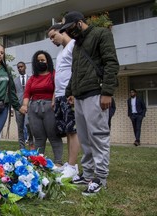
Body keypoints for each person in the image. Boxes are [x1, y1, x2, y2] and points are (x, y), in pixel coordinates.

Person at [60, 11, 119, 195]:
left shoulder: (101, 34)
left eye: (69, 28)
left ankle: (100, 178)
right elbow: (75, 71)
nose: (68, 33)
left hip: (96, 93)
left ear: (79, 23)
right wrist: (70, 92)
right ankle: (87, 174)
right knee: (85, 138)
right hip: (79, 96)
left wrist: (107, 92)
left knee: (98, 136)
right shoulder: (77, 45)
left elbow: (111, 63)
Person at [47, 24, 80, 179]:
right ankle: (69, 164)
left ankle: (73, 166)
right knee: (67, 131)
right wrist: (54, 96)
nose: (52, 40)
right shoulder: (61, 52)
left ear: (63, 31)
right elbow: (58, 76)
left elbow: (77, 70)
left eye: (53, 36)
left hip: (69, 95)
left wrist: (72, 92)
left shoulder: (74, 45)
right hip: (60, 96)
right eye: (50, 38)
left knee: (73, 130)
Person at [21, 50, 63, 166]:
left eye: (43, 60)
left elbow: (58, 87)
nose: (40, 62)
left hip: (50, 107)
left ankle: (58, 162)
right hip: (34, 109)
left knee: (54, 136)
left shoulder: (53, 74)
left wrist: (54, 100)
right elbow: (27, 93)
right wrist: (25, 105)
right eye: (38, 60)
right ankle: (38, 163)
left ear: (47, 61)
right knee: (38, 138)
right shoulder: (32, 78)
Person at [14, 62, 34, 149]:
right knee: (20, 128)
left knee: (28, 124)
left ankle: (31, 143)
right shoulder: (15, 80)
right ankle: (22, 148)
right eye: (18, 67)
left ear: (25, 67)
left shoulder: (31, 79)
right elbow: (13, 94)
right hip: (18, 107)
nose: (20, 68)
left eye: (21, 67)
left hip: (29, 106)